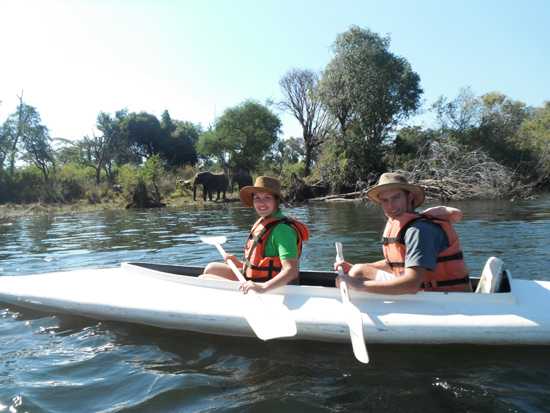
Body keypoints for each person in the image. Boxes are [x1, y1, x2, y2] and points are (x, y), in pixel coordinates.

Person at [335, 172, 471, 294]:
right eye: (385, 200)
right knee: (357, 270)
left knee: (356, 277)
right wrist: (356, 267)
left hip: (445, 299)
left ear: (409, 197)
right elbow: (397, 263)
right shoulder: (403, 225)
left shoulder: (418, 231)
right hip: (426, 293)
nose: (391, 206)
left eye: (396, 198)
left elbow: (411, 284)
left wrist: (360, 285)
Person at [200, 176, 309, 294]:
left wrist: (263, 287)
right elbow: (260, 265)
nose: (261, 203)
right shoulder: (264, 222)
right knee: (211, 268)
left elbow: (291, 271)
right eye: (257, 198)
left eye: (267, 197)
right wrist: (238, 263)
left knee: (203, 280)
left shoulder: (282, 230)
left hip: (274, 287)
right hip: (257, 279)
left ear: (276, 201)